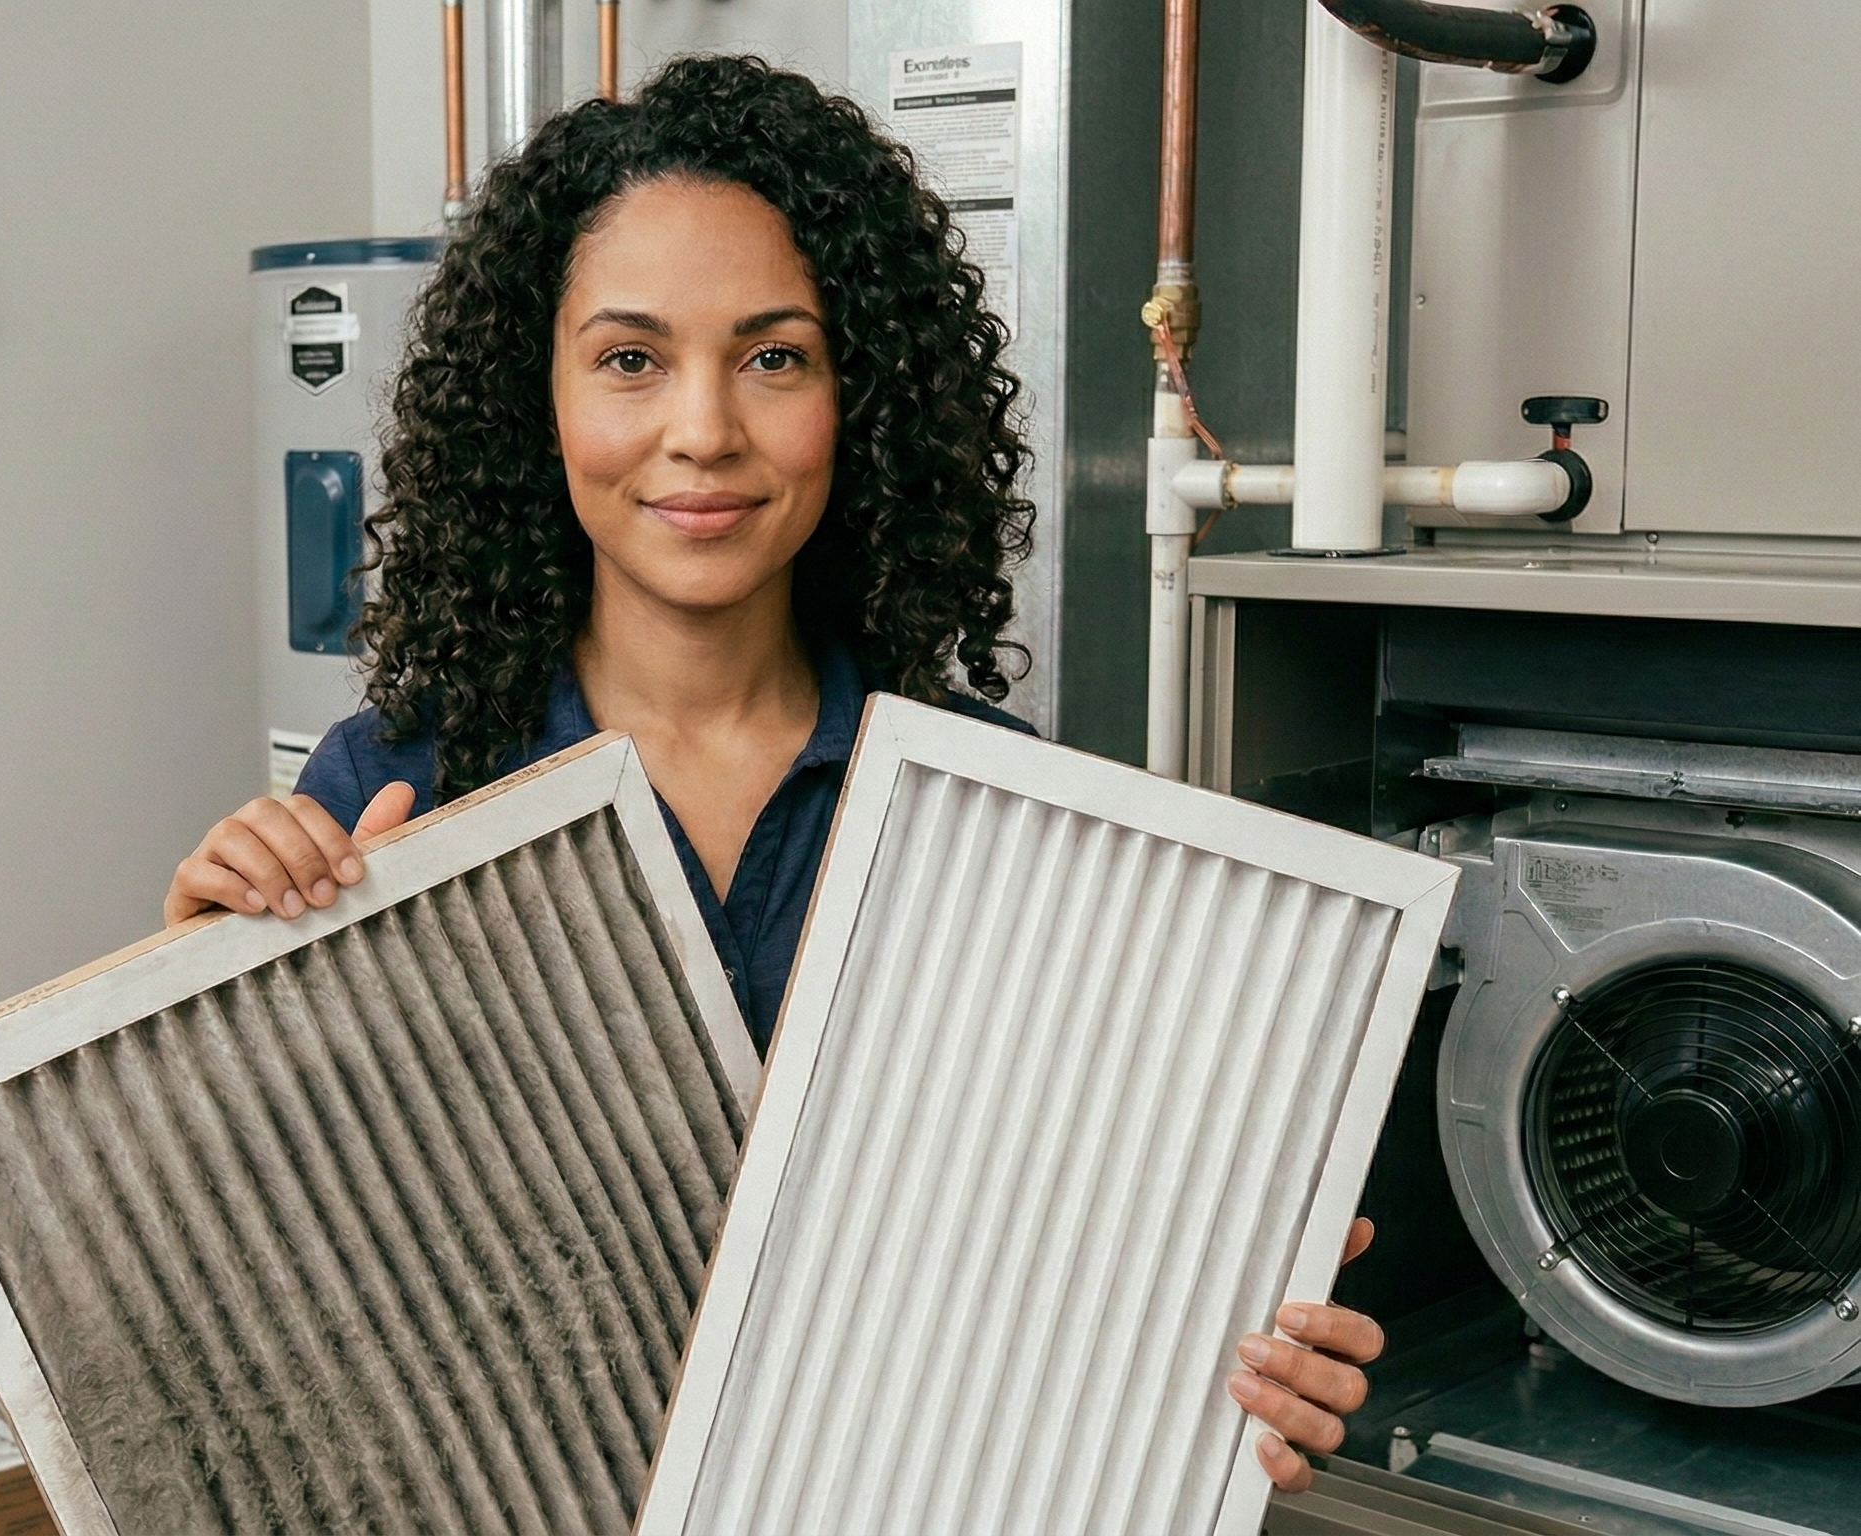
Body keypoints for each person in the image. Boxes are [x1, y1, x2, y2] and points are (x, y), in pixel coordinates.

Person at [166, 54, 1381, 1492]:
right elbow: (271, 1279)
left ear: (858, 396)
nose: (703, 430)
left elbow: (1076, 1241)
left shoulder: (1000, 816)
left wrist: (1237, 1361)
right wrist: (197, 1004)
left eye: (773, 357)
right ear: (533, 401)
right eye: (629, 359)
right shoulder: (398, 787)